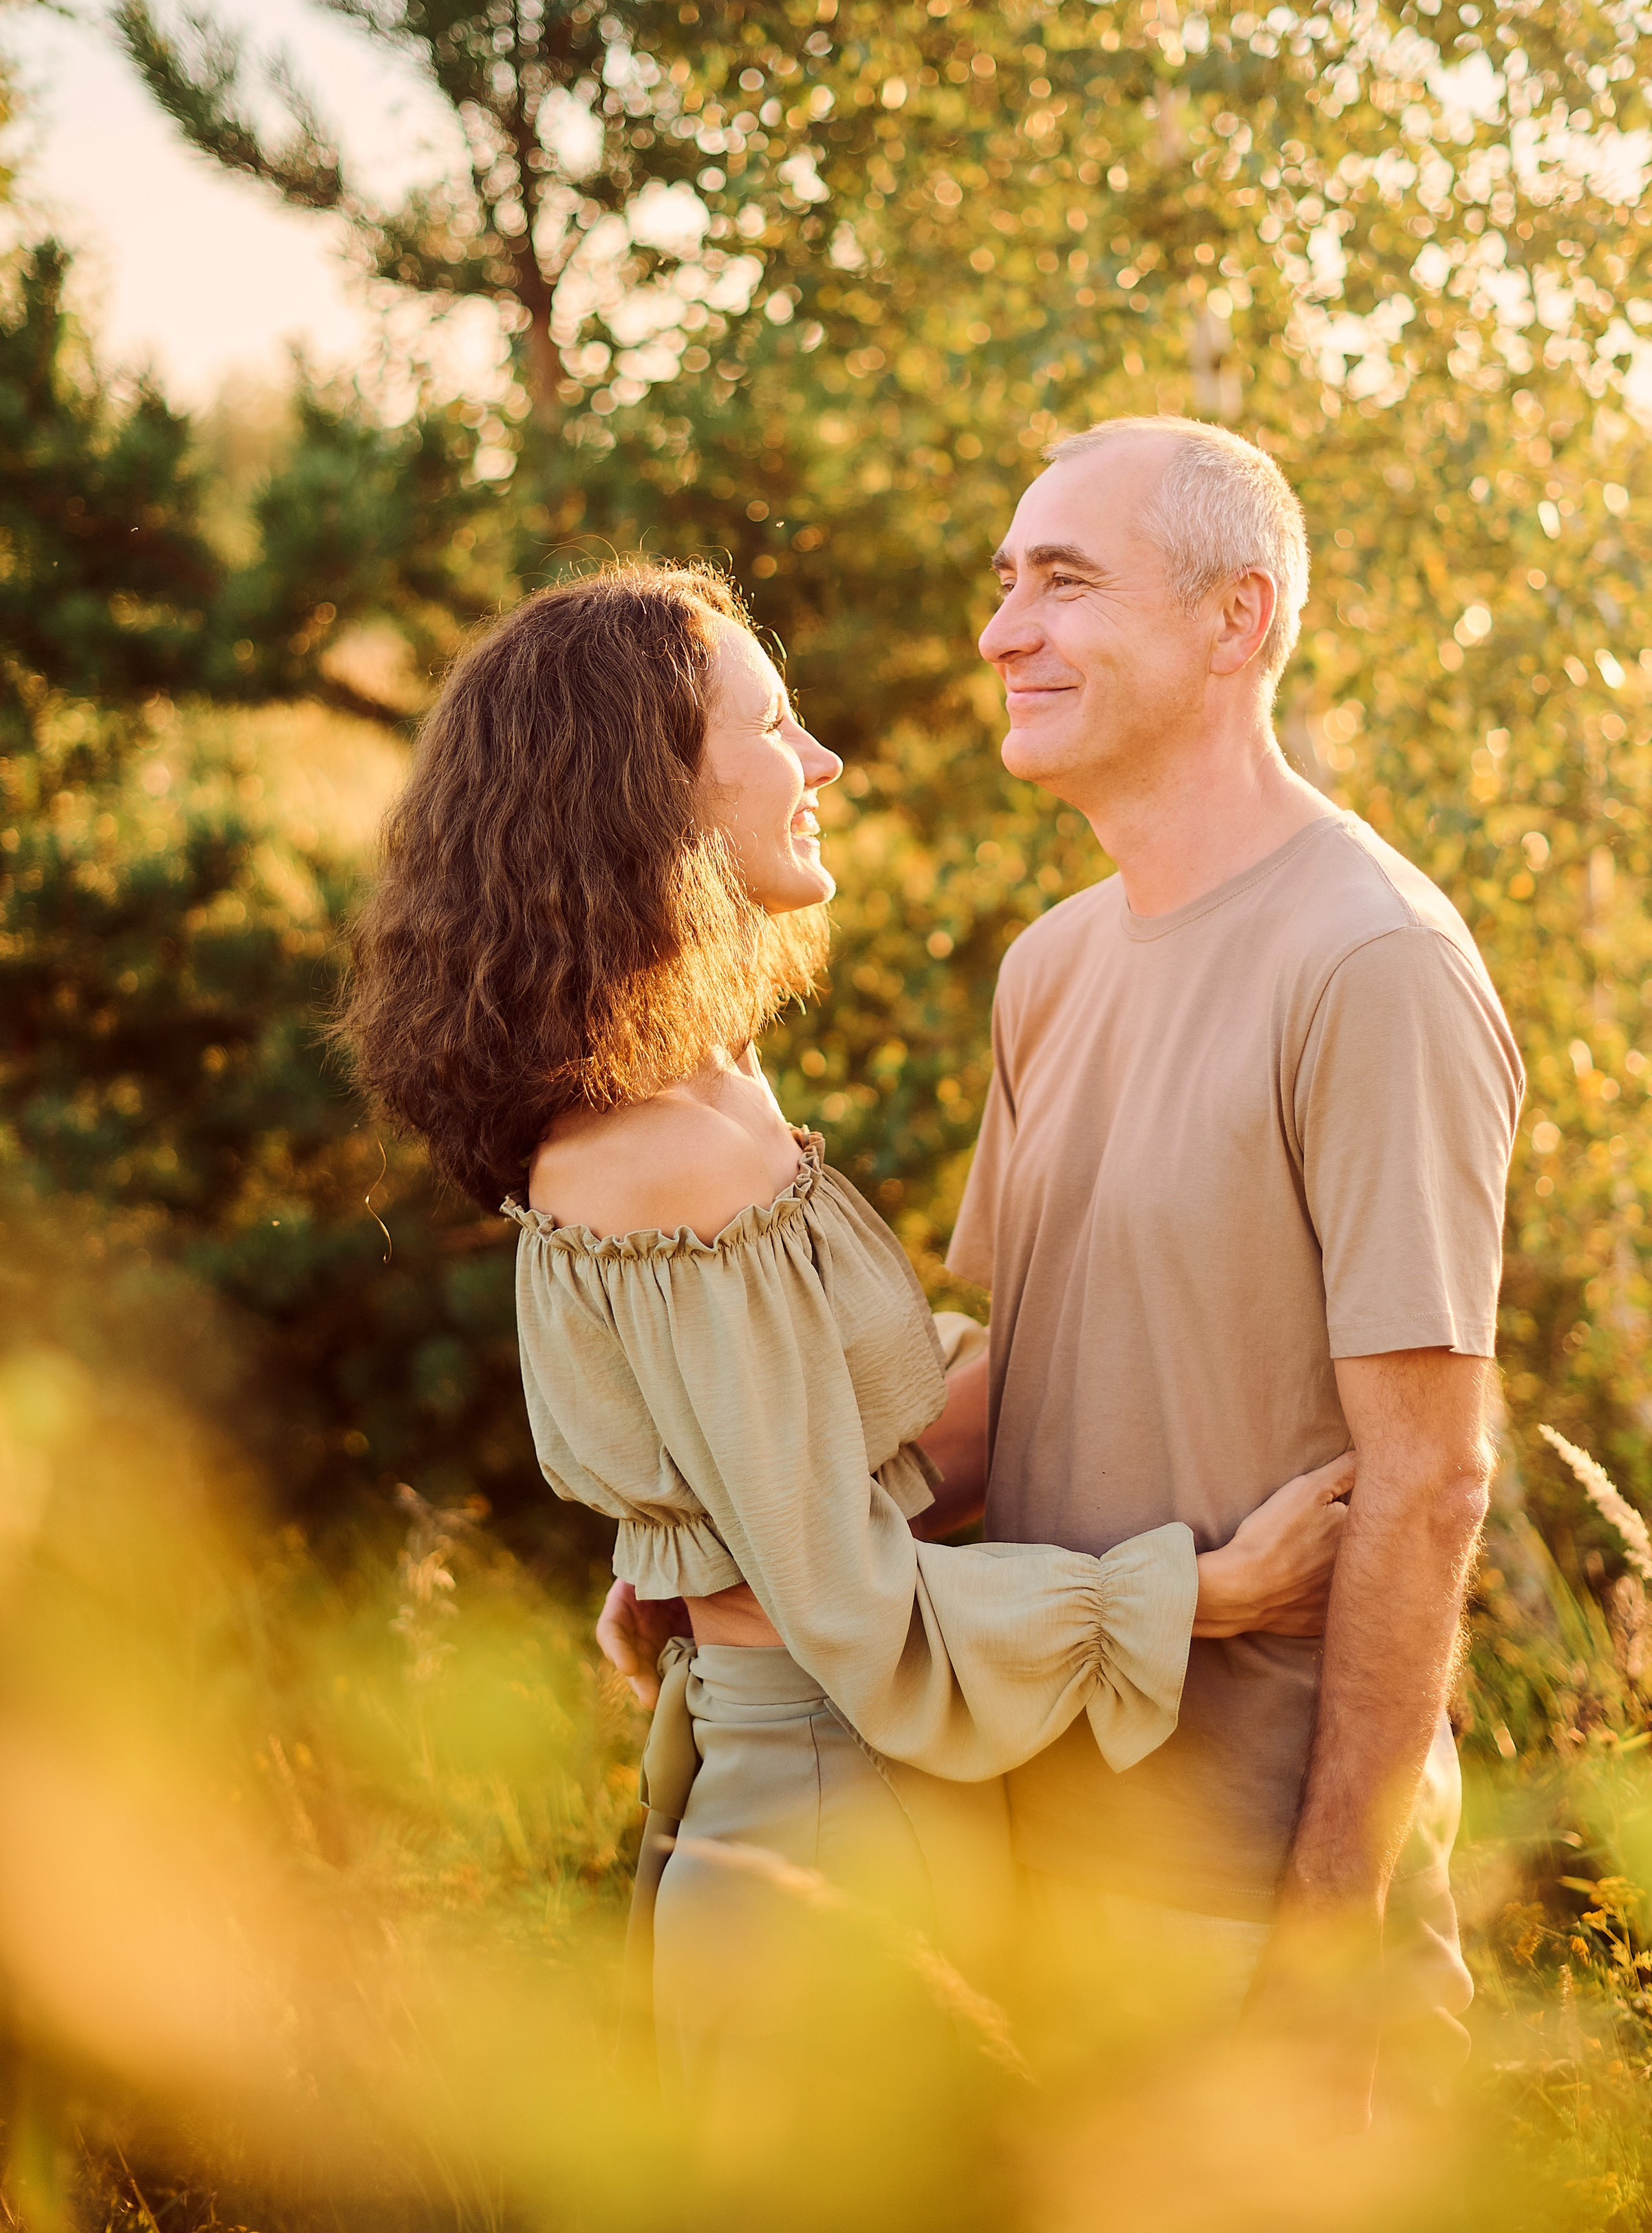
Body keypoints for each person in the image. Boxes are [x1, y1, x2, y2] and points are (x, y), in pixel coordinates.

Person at [339, 559, 1353, 2077]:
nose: (820, 761)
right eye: (774, 722)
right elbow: (858, 1613)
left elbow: (840, 1449)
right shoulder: (661, 1152)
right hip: (833, 1840)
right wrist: (1203, 1594)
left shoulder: (708, 1090)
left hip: (864, 1804)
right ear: (652, 794)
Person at [943, 416, 1524, 2106]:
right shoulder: (1047, 969)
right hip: (1026, 1863)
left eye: (1062, 581)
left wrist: (1323, 1935)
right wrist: (740, 1532)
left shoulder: (1372, 963)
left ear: (1233, 621)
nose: (1001, 632)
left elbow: (1427, 1481)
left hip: (1249, 1906)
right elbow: (1018, 1377)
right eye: (1003, 583)